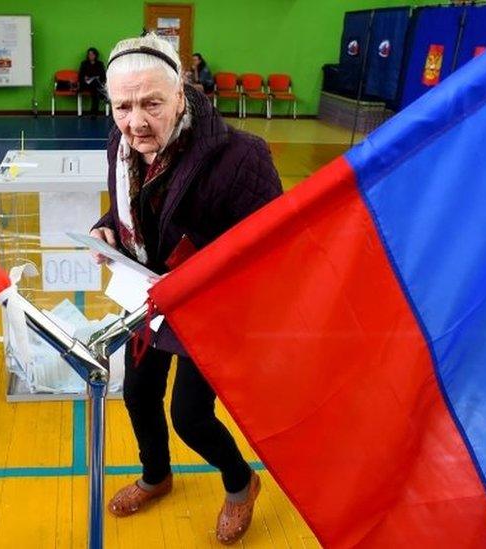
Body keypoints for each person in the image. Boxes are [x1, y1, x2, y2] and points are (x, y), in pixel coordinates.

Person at [90, 34, 281, 545]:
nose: (136, 121)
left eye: (151, 103)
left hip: (210, 307)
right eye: (122, 106)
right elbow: (132, 211)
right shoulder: (122, 142)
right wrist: (104, 227)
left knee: (191, 417)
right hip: (147, 299)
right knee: (137, 394)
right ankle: (157, 477)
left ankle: (241, 485)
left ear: (181, 94)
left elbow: (270, 249)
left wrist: (197, 272)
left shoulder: (242, 155)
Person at [78, 47, 107, 116]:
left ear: (96, 55)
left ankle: (93, 113)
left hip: (95, 84)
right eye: (89, 54)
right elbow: (81, 75)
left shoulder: (99, 64)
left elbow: (103, 75)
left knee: (94, 88)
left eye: (92, 54)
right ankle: (102, 95)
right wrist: (86, 77)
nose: (91, 56)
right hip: (86, 84)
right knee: (96, 88)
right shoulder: (84, 63)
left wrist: (94, 77)